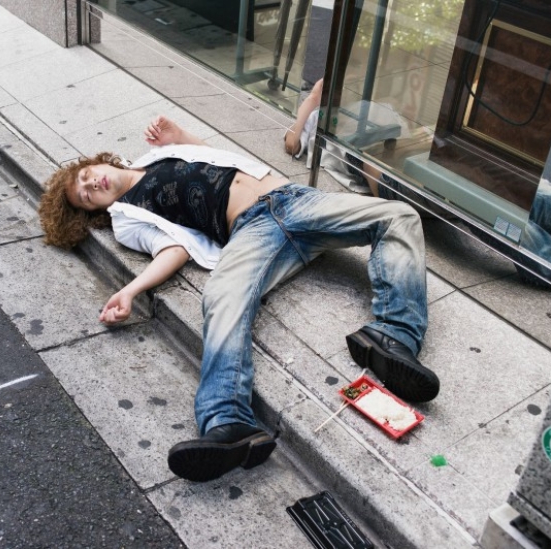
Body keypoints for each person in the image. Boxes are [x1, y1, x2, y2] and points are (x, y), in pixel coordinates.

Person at [38, 116, 440, 483]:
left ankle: (395, 335)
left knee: (397, 215)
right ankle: (227, 421)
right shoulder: (127, 219)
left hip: (293, 199)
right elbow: (172, 250)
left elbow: (217, 162)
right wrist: (130, 290)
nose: (92, 185)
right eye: (86, 197)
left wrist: (180, 137)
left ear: (98, 162)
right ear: (96, 211)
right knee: (221, 295)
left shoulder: (156, 156)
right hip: (251, 231)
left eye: (87, 176)